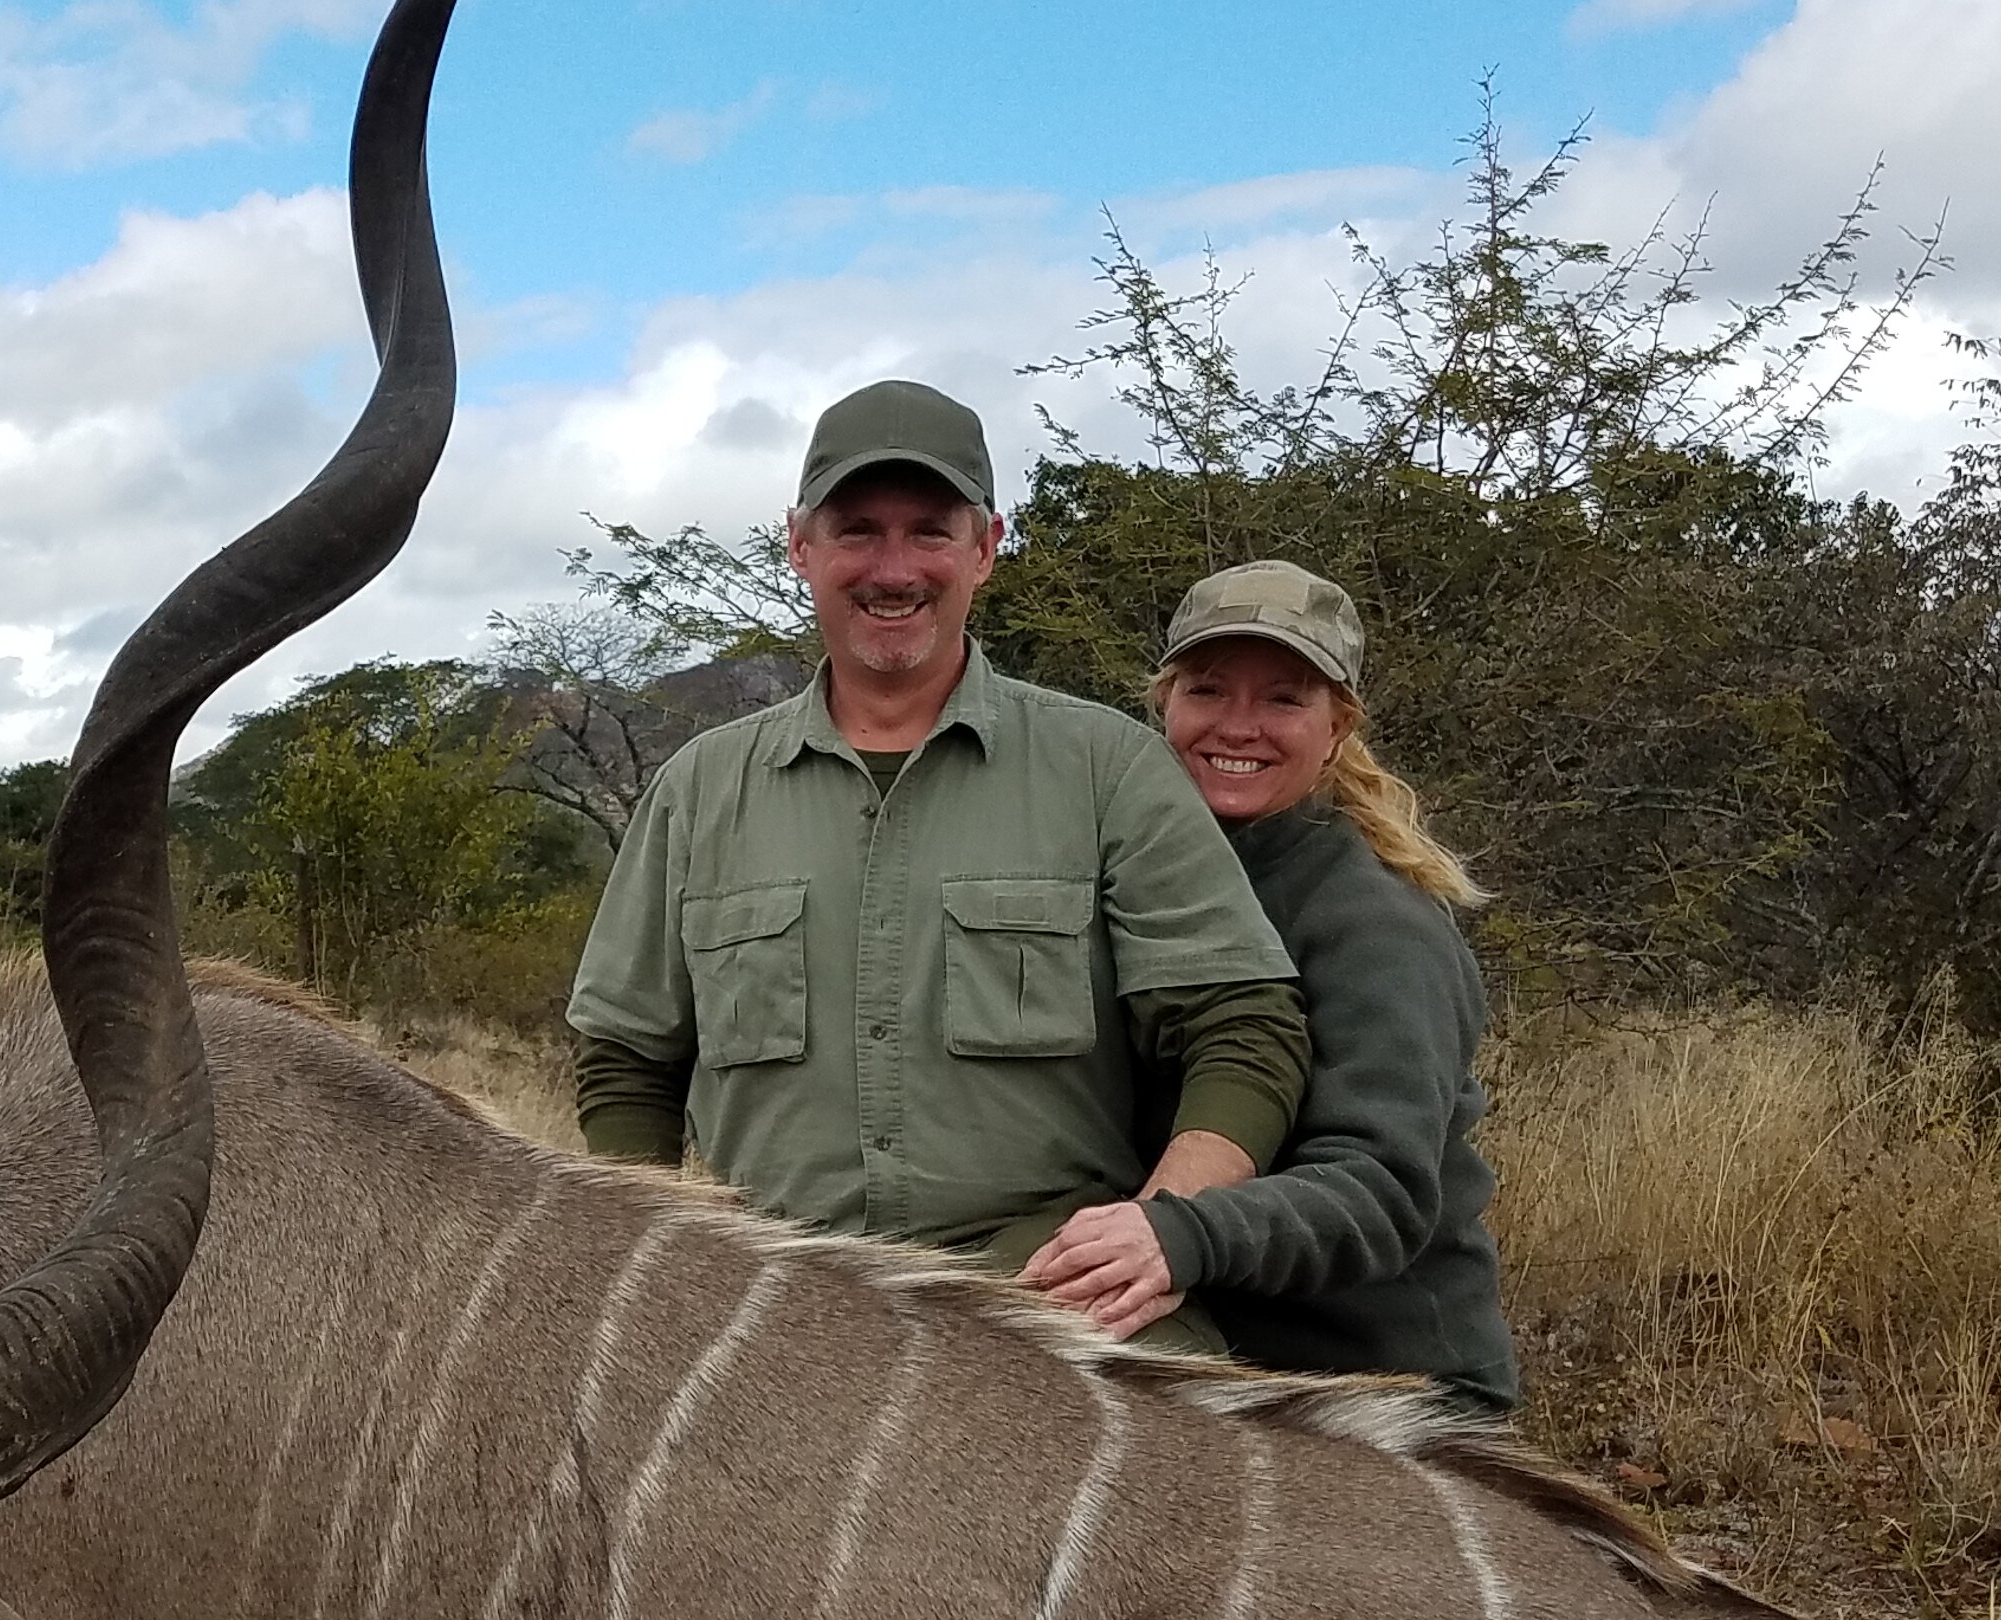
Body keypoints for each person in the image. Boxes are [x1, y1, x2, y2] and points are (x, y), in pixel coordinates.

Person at [566, 381, 1311, 1289]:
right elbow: (626, 1060)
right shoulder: (699, 788)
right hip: (776, 1299)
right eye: (858, 531)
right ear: (800, 545)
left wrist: (1159, 1233)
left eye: (930, 530)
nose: (894, 569)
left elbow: (1243, 1025)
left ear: (987, 549)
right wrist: (660, 1270)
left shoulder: (1108, 767)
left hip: (1047, 1294)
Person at [1024, 560, 1522, 1408]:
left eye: (1284, 700)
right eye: (1209, 691)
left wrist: (1180, 1236)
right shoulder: (1139, 873)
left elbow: (1382, 1189)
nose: (1240, 727)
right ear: (1165, 707)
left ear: (1338, 727)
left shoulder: (1379, 921)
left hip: (1382, 1391)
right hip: (1212, 1357)